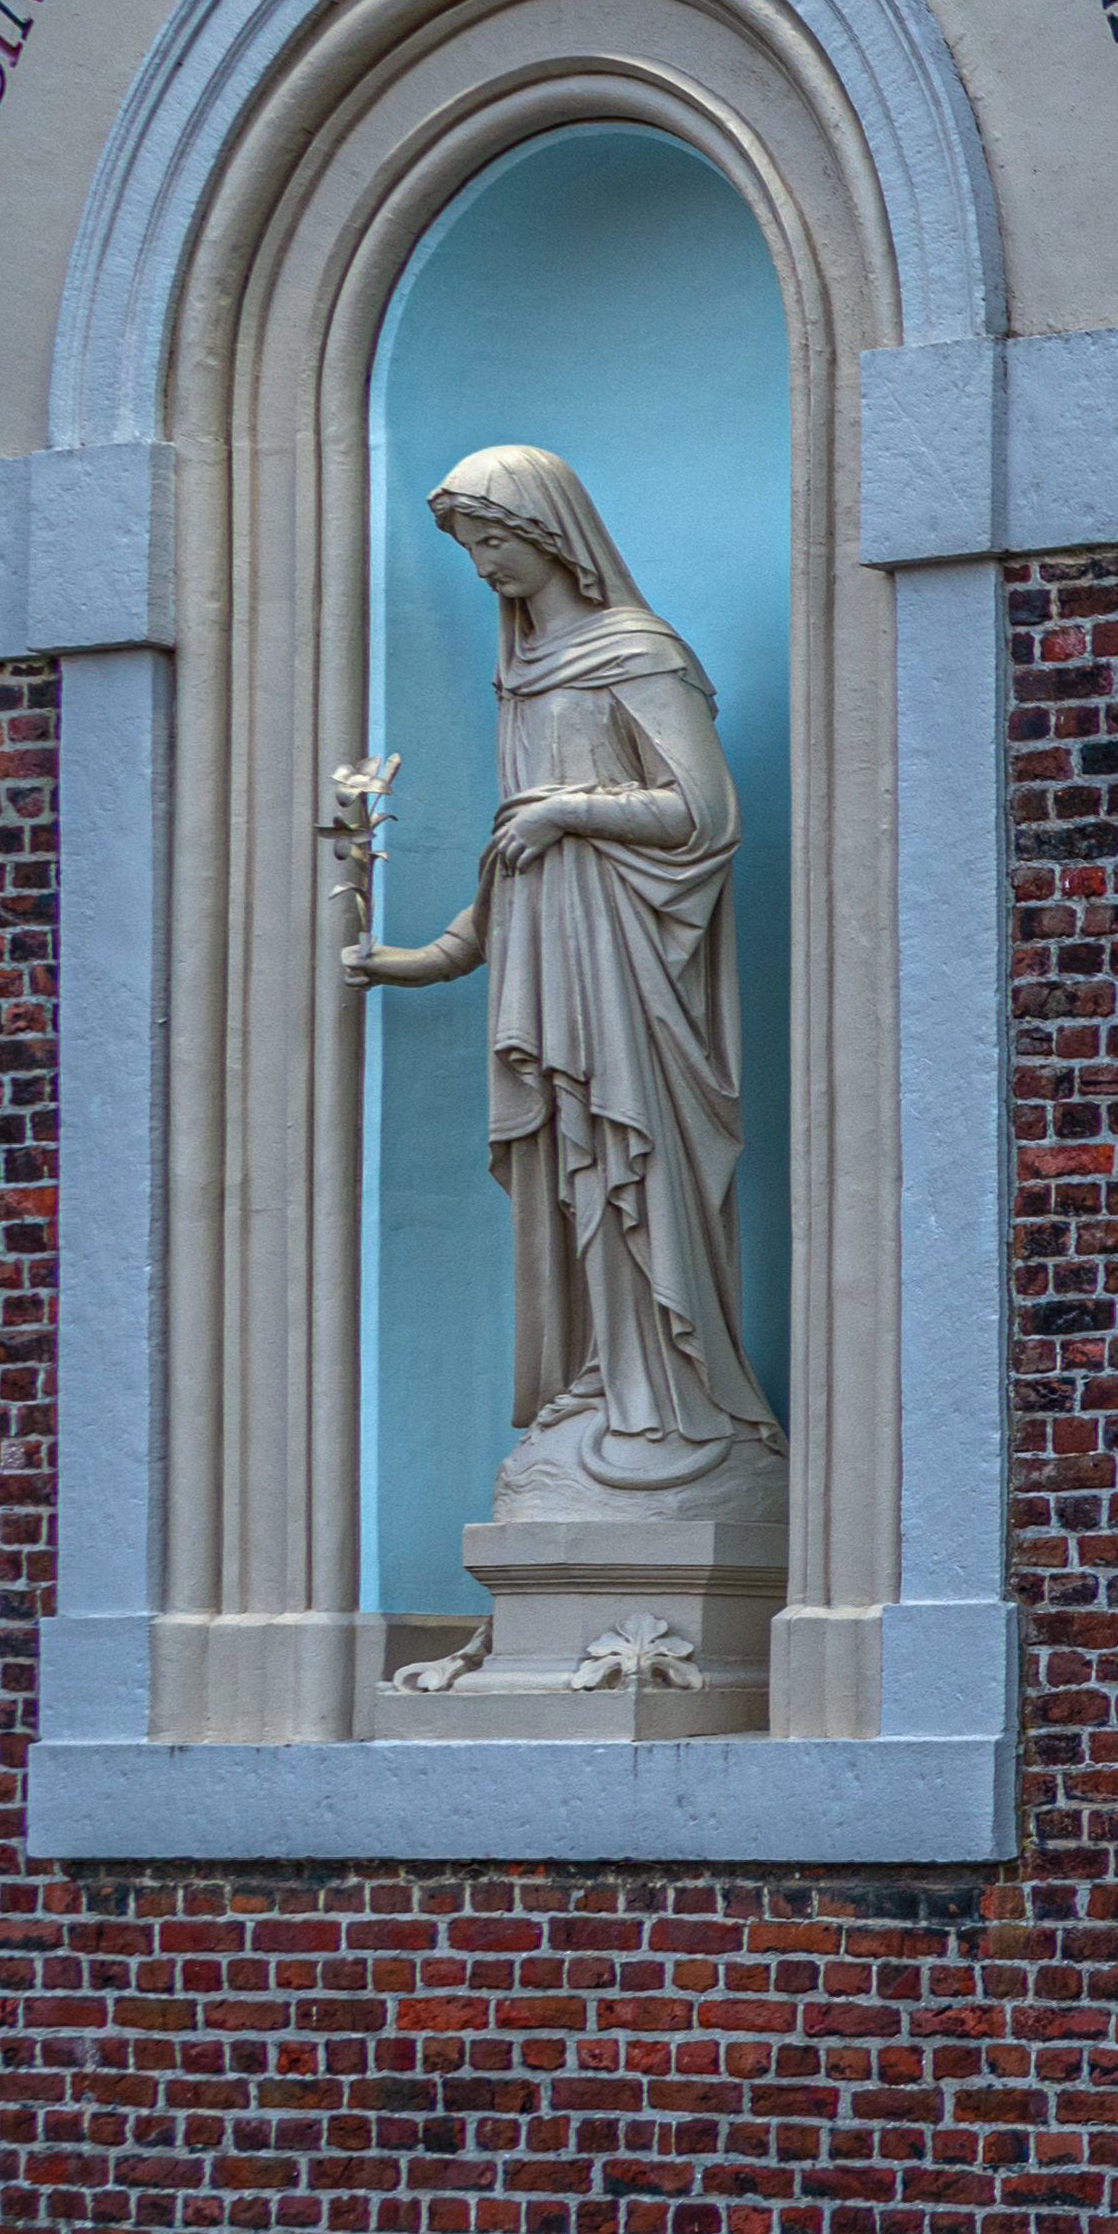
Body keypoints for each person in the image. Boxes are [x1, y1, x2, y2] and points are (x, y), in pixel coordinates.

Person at [348, 443, 779, 1490]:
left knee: (634, 1164)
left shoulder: (638, 651)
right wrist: (426, 959)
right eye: (467, 546)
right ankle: (600, 1374)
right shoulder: (521, 674)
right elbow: (510, 866)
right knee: (572, 1177)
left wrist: (569, 811)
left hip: (634, 979)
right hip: (547, 973)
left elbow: (704, 813)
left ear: (547, 533)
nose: (483, 563)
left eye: (493, 538)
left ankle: (677, 1396)